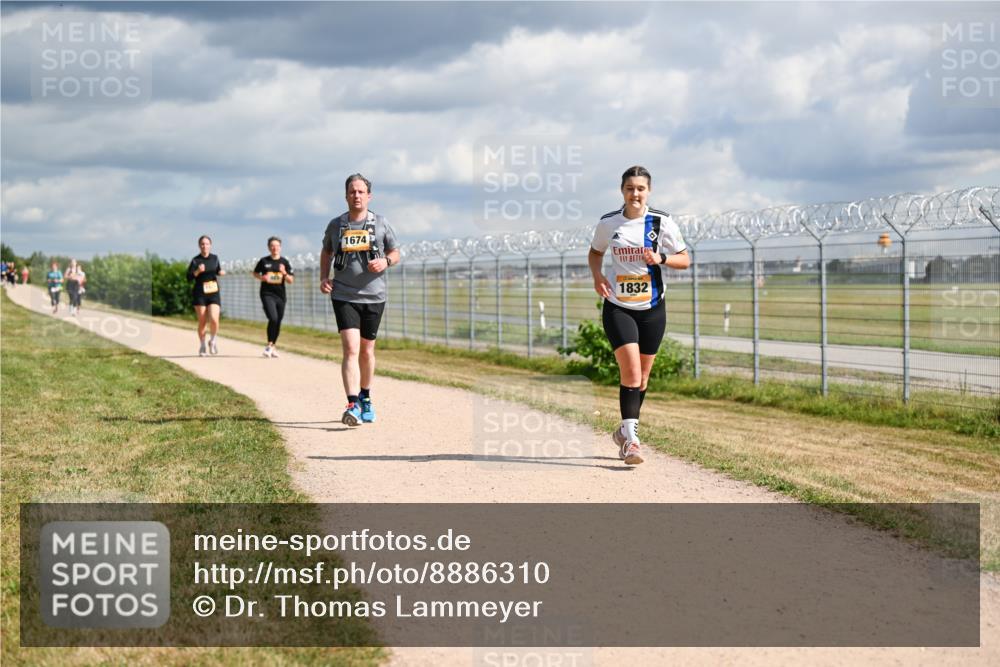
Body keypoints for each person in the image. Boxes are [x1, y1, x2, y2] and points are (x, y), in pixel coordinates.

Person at [588, 166, 690, 465]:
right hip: (619, 307)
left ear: (649, 191)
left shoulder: (662, 221)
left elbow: (685, 259)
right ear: (622, 190)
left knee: (643, 378)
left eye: (641, 189)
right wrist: (597, 276)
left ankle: (624, 430)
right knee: (631, 373)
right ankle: (632, 442)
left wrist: (661, 258)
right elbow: (595, 253)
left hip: (653, 308)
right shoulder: (609, 223)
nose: (635, 194)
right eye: (630, 188)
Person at [320, 173, 400, 426]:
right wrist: (324, 277)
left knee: (367, 350)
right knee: (351, 348)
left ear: (369, 196)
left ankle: (366, 398)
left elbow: (395, 252)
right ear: (346, 196)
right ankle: (352, 403)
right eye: (352, 191)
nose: (356, 195)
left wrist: (385, 261)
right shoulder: (336, 225)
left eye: (361, 191)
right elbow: (326, 251)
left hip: (374, 296)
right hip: (344, 294)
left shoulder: (382, 223)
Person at [252, 236, 295, 358]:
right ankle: (269, 345)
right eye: (272, 245)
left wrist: (284, 272)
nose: (274, 248)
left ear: (280, 247)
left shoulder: (284, 262)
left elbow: (291, 280)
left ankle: (273, 346)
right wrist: (262, 278)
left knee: (278, 321)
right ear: (269, 247)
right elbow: (255, 273)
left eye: (277, 245)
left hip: (280, 295)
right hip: (267, 294)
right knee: (273, 318)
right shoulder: (264, 261)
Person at [186, 235, 226, 356]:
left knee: (214, 319)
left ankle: (212, 341)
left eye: (207, 243)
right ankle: (202, 345)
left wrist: (221, 272)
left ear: (210, 245)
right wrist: (198, 271)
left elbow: (217, 270)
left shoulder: (215, 258)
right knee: (202, 321)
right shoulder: (195, 260)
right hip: (200, 293)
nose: (205, 246)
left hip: (213, 292)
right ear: (199, 246)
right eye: (202, 244)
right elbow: (188, 277)